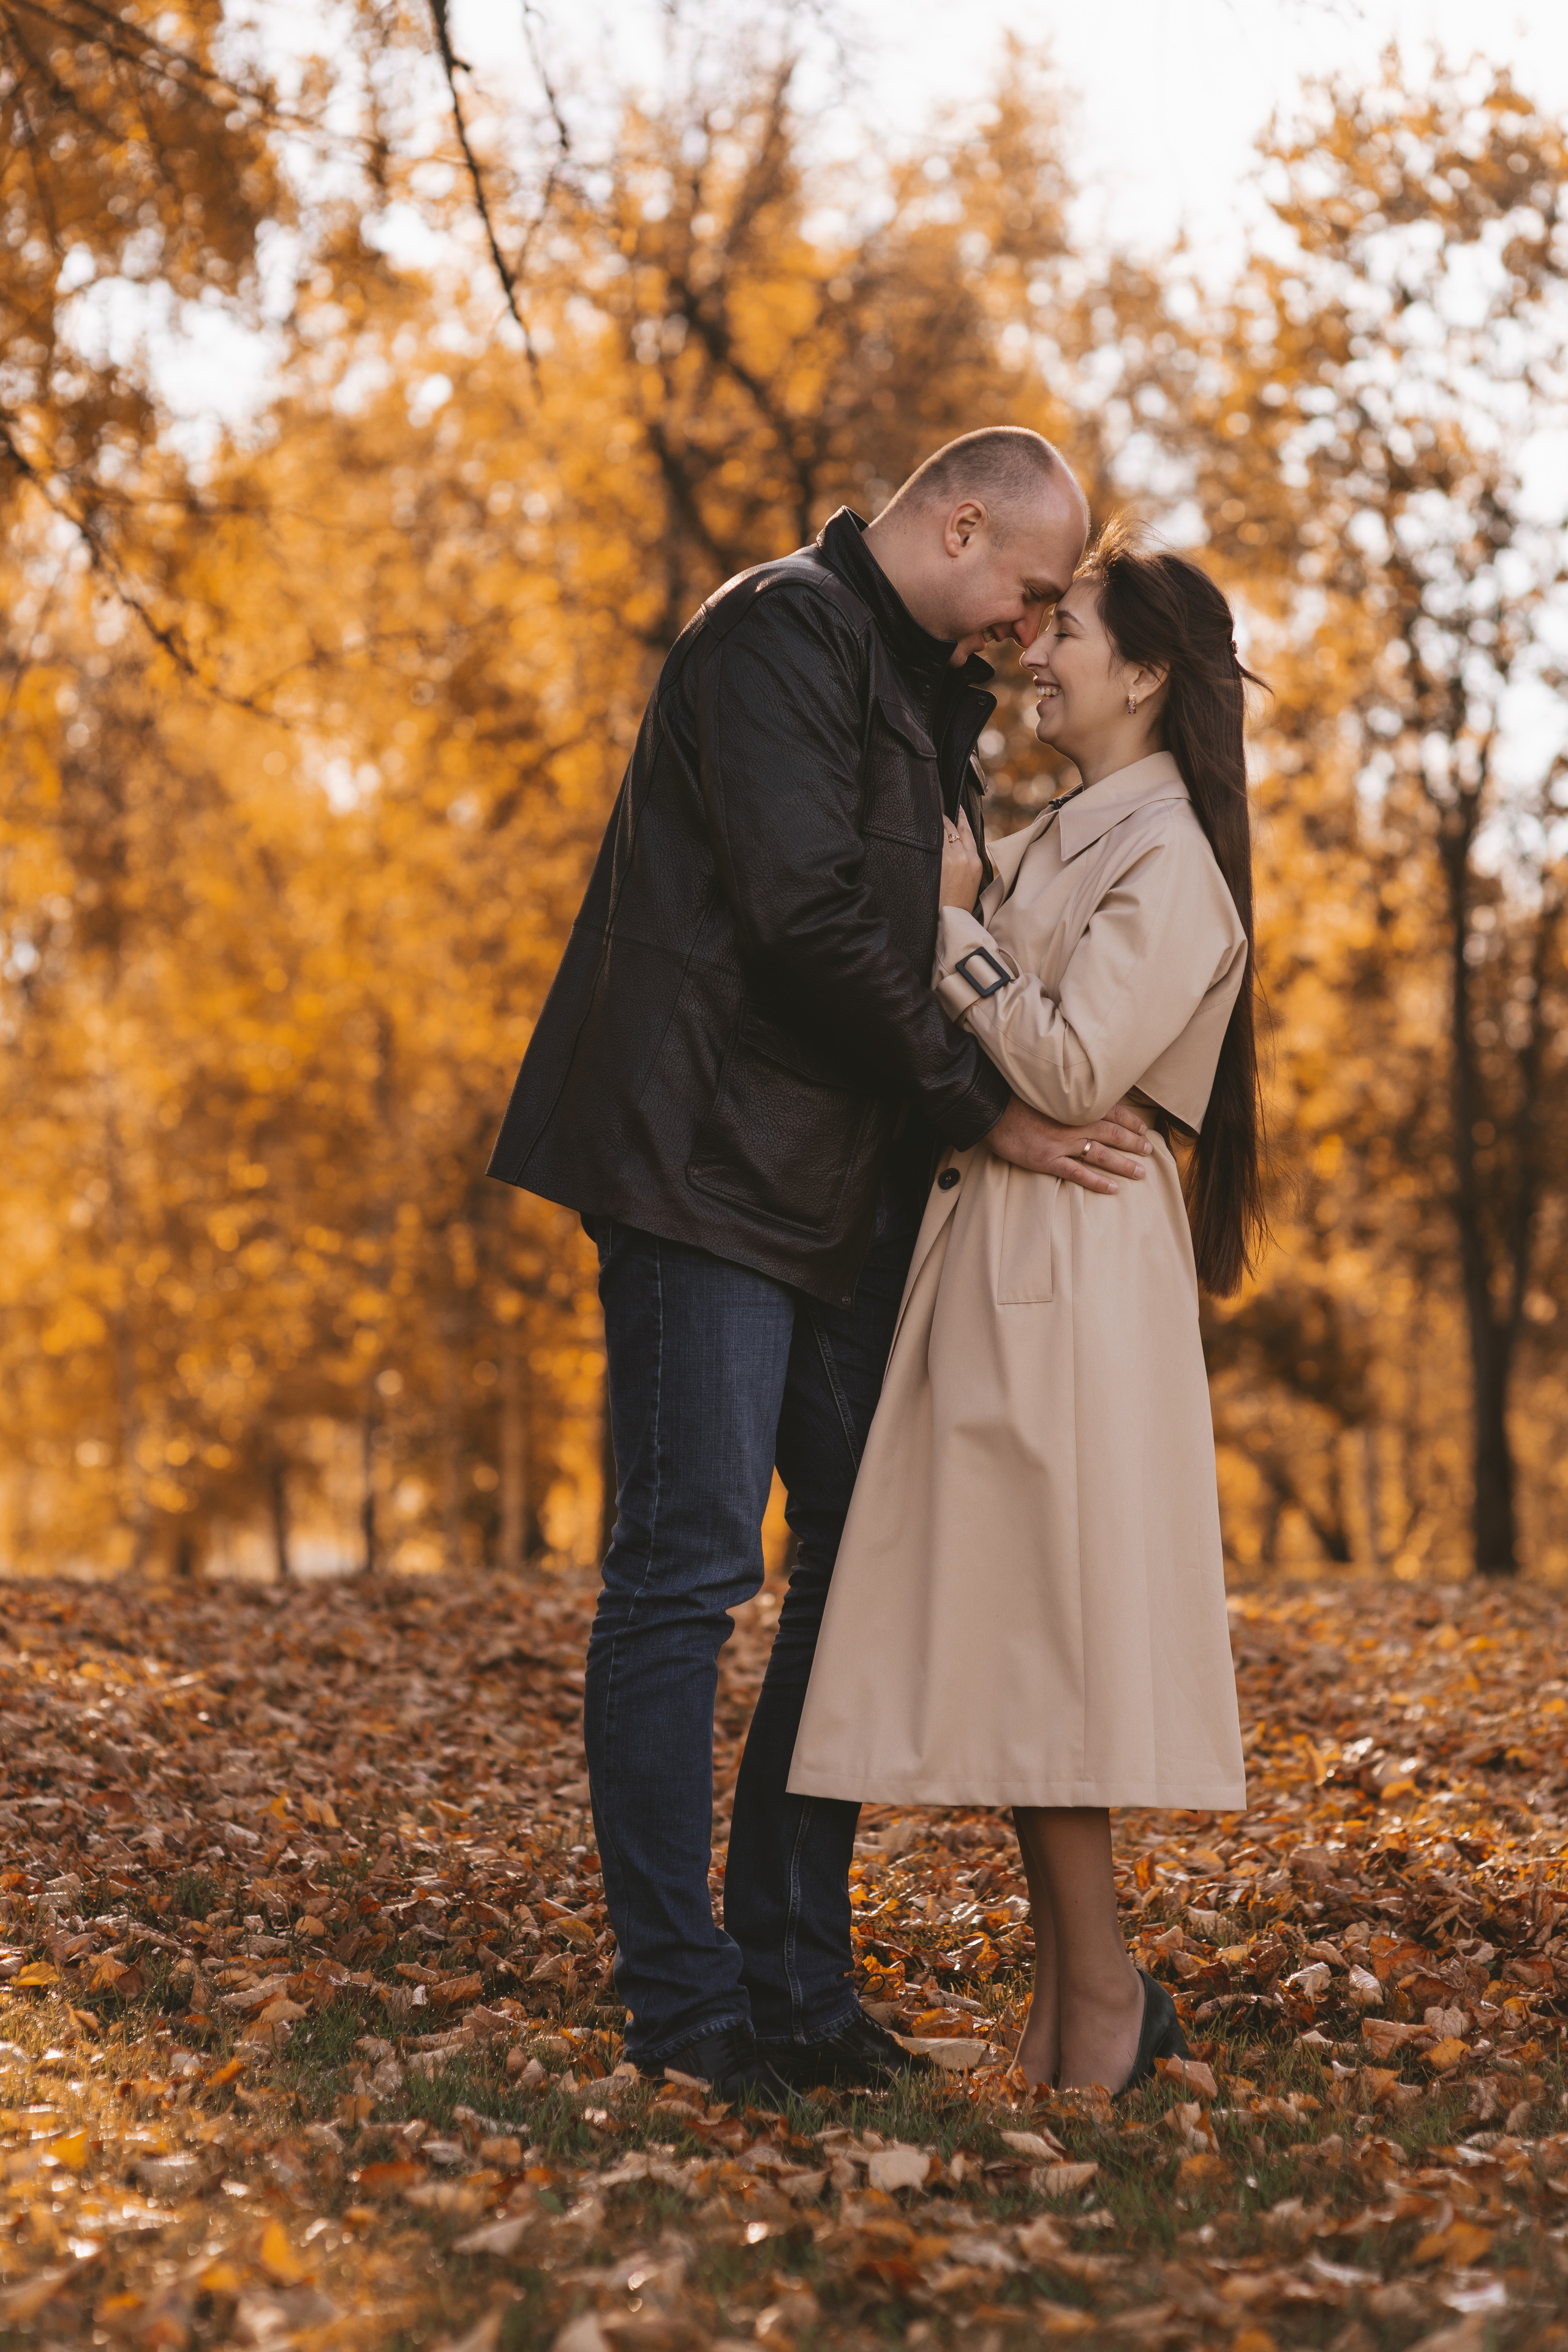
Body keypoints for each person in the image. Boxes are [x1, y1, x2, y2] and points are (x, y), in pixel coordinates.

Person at [486, 430, 1156, 2104]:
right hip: (700, 1169)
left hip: (831, 1193)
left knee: (856, 1572)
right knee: (687, 1577)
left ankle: (794, 1986)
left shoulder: (915, 685)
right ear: (958, 522)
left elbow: (931, 926)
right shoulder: (778, 631)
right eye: (1029, 590)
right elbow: (805, 919)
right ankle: (684, 2006)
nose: (1030, 628)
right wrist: (979, 1111)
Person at [790, 522, 1265, 2097]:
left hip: (1070, 1270)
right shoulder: (1069, 830)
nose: (1035, 649)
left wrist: (941, 919)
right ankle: (1082, 2007)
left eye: (1069, 630)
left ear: (1142, 673)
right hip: (1005, 1246)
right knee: (1020, 1637)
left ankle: (1104, 2006)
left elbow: (1064, 1066)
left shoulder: (1172, 859)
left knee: (1048, 1636)